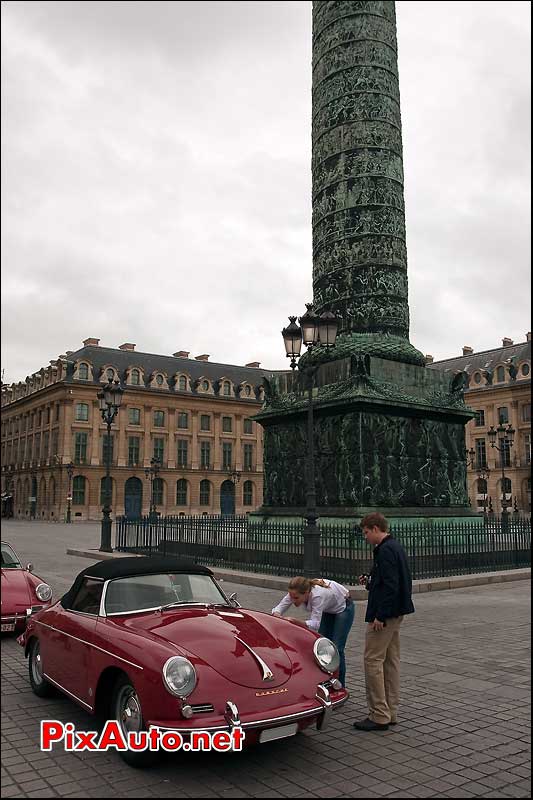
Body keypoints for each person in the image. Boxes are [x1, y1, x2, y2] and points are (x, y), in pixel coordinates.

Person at [353, 512, 415, 732]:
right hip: (396, 612)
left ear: (376, 528)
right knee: (390, 661)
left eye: (366, 532)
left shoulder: (386, 550)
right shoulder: (394, 546)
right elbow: (390, 581)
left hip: (385, 616)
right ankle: (390, 711)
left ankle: (379, 714)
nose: (366, 537)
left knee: (372, 661)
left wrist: (380, 615)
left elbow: (391, 586)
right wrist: (370, 581)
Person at [271, 575, 354, 687]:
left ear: (306, 593)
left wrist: (296, 621)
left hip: (343, 607)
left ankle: (340, 686)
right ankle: (325, 681)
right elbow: (279, 607)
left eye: (296, 598)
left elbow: (315, 624)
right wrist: (276, 614)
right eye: (291, 597)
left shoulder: (317, 596)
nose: (293, 600)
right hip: (329, 608)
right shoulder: (295, 592)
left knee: (337, 648)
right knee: (322, 647)